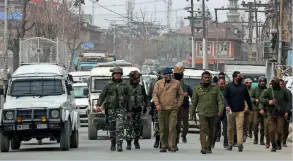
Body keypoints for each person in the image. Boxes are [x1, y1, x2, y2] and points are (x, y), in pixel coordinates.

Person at [96, 67, 130, 152]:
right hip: (111, 109)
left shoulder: (125, 86)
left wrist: (129, 111)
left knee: (120, 127)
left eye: (118, 74)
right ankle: (113, 143)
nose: (117, 75)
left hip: (121, 109)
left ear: (121, 75)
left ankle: (119, 144)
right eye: (115, 74)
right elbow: (102, 95)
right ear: (113, 75)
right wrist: (98, 104)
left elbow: (129, 99)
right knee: (112, 127)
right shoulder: (108, 85)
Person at [190, 71, 224, 154]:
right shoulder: (197, 89)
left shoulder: (215, 88)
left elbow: (220, 100)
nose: (207, 79)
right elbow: (194, 102)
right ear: (202, 79)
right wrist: (191, 113)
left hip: (213, 112)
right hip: (202, 112)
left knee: (211, 130)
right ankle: (203, 146)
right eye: (205, 78)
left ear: (211, 79)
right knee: (203, 129)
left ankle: (209, 146)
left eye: (208, 78)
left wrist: (220, 110)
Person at [152, 67, 184, 152]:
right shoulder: (158, 83)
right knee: (162, 128)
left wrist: (179, 104)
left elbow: (181, 94)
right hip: (161, 108)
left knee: (172, 127)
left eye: (170, 74)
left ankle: (172, 145)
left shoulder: (176, 83)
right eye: (166, 74)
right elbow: (154, 95)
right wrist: (157, 104)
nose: (168, 76)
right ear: (163, 75)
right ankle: (163, 145)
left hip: (173, 108)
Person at [223, 71, 252, 152]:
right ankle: (230, 144)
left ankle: (240, 144)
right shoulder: (228, 86)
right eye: (239, 76)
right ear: (235, 77)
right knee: (230, 128)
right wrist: (227, 106)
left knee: (239, 127)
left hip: (240, 110)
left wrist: (250, 108)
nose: (241, 77)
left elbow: (247, 98)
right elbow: (224, 97)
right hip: (231, 110)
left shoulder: (243, 87)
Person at [259, 77, 290, 152]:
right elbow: (260, 99)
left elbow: (288, 101)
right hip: (271, 113)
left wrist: (287, 111)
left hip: (280, 113)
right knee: (271, 130)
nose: (273, 85)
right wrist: (268, 101)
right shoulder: (268, 90)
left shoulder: (284, 90)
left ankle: (278, 141)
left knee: (279, 131)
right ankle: (273, 145)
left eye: (275, 83)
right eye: (272, 83)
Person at [125, 70, 148, 150]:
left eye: (138, 78)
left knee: (137, 127)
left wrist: (146, 106)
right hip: (129, 110)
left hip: (138, 110)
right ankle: (128, 142)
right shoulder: (126, 87)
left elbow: (145, 97)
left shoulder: (141, 87)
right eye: (136, 78)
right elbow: (124, 99)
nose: (137, 80)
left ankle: (136, 141)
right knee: (129, 127)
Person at [173, 62, 193, 149]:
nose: (181, 75)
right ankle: (175, 141)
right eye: (179, 73)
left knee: (185, 125)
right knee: (175, 125)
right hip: (174, 106)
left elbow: (193, 96)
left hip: (184, 107)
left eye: (182, 73)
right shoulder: (171, 84)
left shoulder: (186, 86)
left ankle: (183, 135)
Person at [148, 68, 164, 148]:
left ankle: (163, 141)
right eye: (160, 74)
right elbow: (149, 95)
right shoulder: (154, 83)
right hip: (156, 106)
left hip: (167, 106)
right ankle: (157, 140)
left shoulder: (170, 83)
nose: (162, 75)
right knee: (157, 124)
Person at [250, 76, 267, 146]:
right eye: (261, 81)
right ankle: (256, 139)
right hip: (256, 109)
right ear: (259, 82)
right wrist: (255, 100)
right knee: (255, 123)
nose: (262, 83)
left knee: (263, 125)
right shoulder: (255, 89)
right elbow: (250, 97)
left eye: (263, 82)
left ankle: (262, 140)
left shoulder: (267, 89)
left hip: (264, 109)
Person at [212, 78, 228, 149]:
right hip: (217, 111)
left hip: (225, 111)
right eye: (221, 83)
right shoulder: (215, 90)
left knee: (225, 128)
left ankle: (226, 143)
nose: (223, 85)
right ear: (218, 83)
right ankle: (212, 143)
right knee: (215, 128)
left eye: (224, 83)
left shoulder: (226, 91)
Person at [279, 79, 292, 147]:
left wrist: (287, 111)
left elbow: (289, 103)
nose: (280, 86)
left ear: (284, 84)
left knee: (285, 128)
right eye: (279, 84)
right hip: (277, 112)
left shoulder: (288, 92)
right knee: (278, 127)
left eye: (281, 84)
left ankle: (283, 142)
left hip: (286, 112)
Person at [243, 78, 253, 142]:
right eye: (246, 83)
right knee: (243, 122)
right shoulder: (242, 89)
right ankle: (244, 134)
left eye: (249, 83)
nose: (248, 84)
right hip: (242, 108)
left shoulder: (253, 90)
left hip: (250, 108)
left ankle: (250, 131)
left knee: (250, 121)